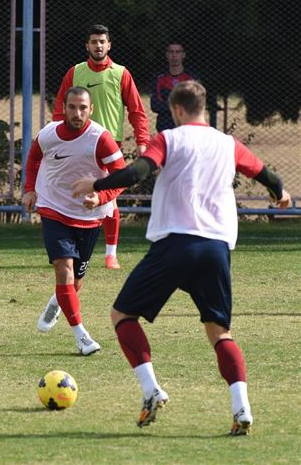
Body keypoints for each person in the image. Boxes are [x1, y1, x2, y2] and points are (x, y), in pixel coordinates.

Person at [71, 80, 291, 435]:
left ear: (175, 110)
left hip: (176, 244)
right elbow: (268, 175)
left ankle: (151, 390)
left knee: (121, 314)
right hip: (216, 249)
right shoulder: (228, 144)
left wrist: (95, 185)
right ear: (203, 107)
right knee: (220, 332)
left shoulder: (169, 139)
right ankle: (242, 409)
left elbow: (137, 172)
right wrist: (280, 193)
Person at [23, 86, 126, 355]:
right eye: (72, 107)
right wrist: (29, 189)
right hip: (53, 208)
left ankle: (58, 301)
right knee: (64, 270)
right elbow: (33, 159)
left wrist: (101, 196)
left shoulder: (100, 138)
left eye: (83, 107)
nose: (77, 113)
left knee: (75, 281)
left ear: (91, 109)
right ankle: (82, 337)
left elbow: (122, 175)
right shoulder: (48, 135)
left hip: (88, 216)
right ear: (64, 108)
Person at [52, 24, 150, 272]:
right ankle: (73, 249)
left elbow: (137, 111)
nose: (98, 46)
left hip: (109, 145)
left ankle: (110, 254)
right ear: (87, 46)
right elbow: (59, 108)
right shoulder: (75, 72)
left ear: (109, 45)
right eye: (94, 41)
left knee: (110, 197)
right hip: (78, 143)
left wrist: (142, 141)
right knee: (75, 194)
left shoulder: (121, 73)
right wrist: (55, 136)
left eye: (102, 42)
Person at [151, 41, 218, 132]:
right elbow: (155, 106)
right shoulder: (159, 78)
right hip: (165, 127)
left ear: (183, 55)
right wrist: (184, 107)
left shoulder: (192, 78)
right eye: (171, 52)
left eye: (178, 52)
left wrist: (169, 107)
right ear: (167, 55)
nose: (174, 55)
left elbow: (197, 105)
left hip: (189, 127)